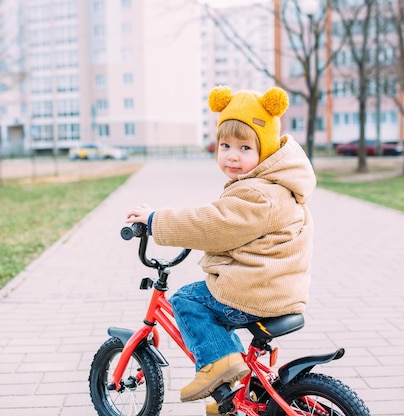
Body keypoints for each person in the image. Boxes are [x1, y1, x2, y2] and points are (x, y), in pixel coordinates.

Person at [126, 85, 316, 410]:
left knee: (188, 300)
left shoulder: (259, 193)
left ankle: (216, 368)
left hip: (257, 293)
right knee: (215, 311)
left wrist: (156, 220)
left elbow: (211, 225)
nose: (231, 154)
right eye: (225, 144)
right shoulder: (275, 186)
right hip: (276, 288)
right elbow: (221, 218)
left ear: (266, 150)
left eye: (244, 147)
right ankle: (241, 389)